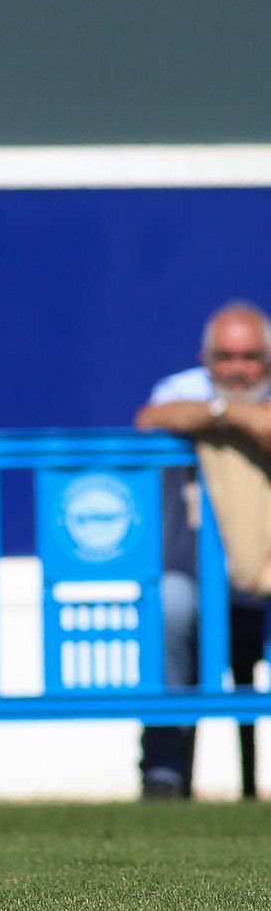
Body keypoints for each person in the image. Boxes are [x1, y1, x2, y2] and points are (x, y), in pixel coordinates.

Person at [134, 301, 271, 799]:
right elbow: (152, 419)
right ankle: (165, 766)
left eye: (251, 357)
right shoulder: (183, 389)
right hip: (197, 577)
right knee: (169, 602)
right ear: (206, 357)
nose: (238, 369)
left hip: (266, 570)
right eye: (226, 357)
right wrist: (236, 417)